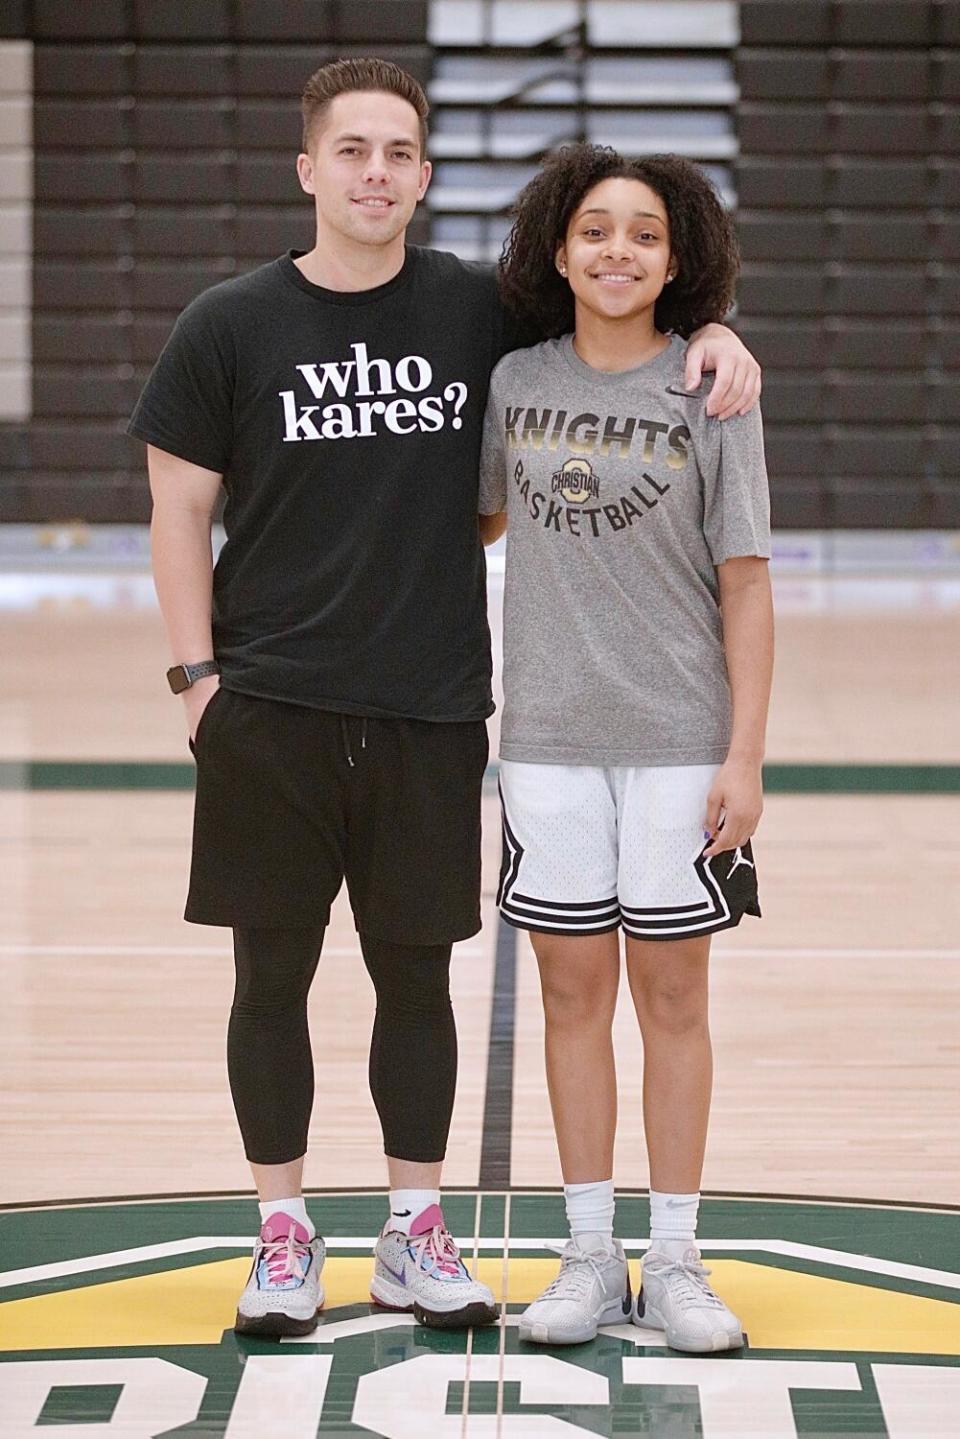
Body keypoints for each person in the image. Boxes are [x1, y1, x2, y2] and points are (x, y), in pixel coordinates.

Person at [129, 58, 763, 1340]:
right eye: (351, 150)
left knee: (418, 979)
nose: (375, 173)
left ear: (425, 173)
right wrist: (196, 678)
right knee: (272, 978)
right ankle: (284, 1232)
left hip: (431, 708)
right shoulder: (227, 323)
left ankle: (416, 1229)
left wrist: (716, 328)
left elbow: (616, 313)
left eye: (399, 153)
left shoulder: (480, 317)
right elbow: (178, 508)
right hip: (271, 704)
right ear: (309, 168)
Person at [478, 143, 773, 1352]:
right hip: (546, 737)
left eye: (643, 233)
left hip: (678, 740)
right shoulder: (509, 383)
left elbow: (746, 586)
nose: (617, 251)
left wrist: (744, 757)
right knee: (568, 993)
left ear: (676, 257)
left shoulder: (714, 390)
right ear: (558, 248)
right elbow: (474, 516)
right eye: (595, 229)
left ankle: (678, 1257)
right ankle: (590, 1255)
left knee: (673, 994)